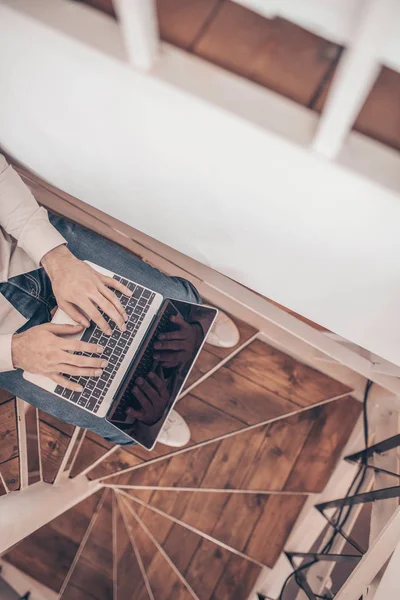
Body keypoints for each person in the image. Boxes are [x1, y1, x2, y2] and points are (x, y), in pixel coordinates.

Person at [0, 154, 241, 448]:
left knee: (179, 301)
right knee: (123, 422)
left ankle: (190, 322)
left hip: (23, 248)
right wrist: (14, 350)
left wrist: (56, 258)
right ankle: (148, 408)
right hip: (8, 337)